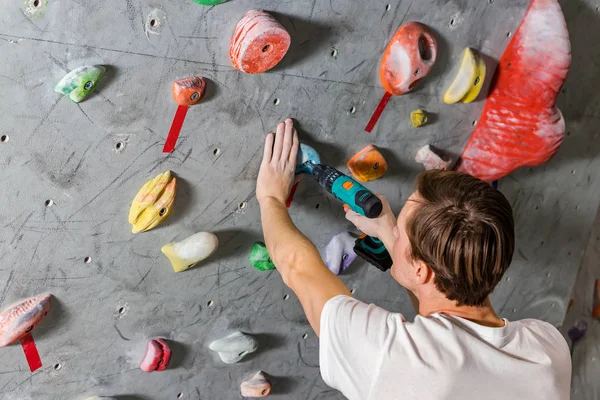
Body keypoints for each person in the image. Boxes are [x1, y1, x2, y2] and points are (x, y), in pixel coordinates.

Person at [256, 119, 571, 400]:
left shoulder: (393, 359)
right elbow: (444, 319)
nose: (394, 230)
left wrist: (270, 197)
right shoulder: (546, 348)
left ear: (422, 270)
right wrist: (394, 240)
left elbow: (298, 267)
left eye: (399, 230)